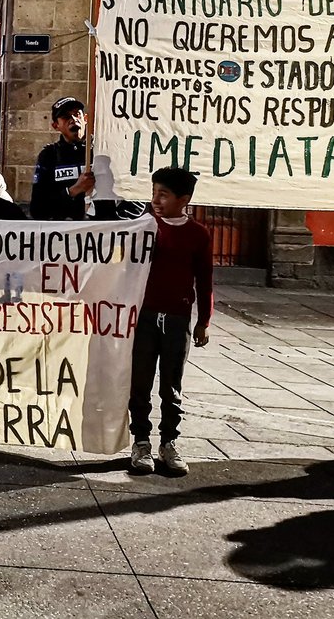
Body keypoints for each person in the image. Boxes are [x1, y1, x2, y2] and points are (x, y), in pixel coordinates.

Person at [128, 166, 212, 477]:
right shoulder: (143, 227)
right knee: (140, 384)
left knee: (171, 386)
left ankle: (169, 442)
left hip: (177, 320)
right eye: (154, 193)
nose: (156, 200)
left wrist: (204, 320)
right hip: (144, 318)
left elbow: (204, 281)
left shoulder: (198, 235)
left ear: (183, 199)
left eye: (163, 194)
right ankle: (140, 442)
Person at [29, 97, 97, 221]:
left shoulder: (102, 150)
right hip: (66, 233)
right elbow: (38, 209)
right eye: (66, 117)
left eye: (77, 114)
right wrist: (74, 190)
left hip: (103, 232)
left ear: (85, 119)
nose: (73, 120)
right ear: (56, 125)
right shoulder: (49, 156)